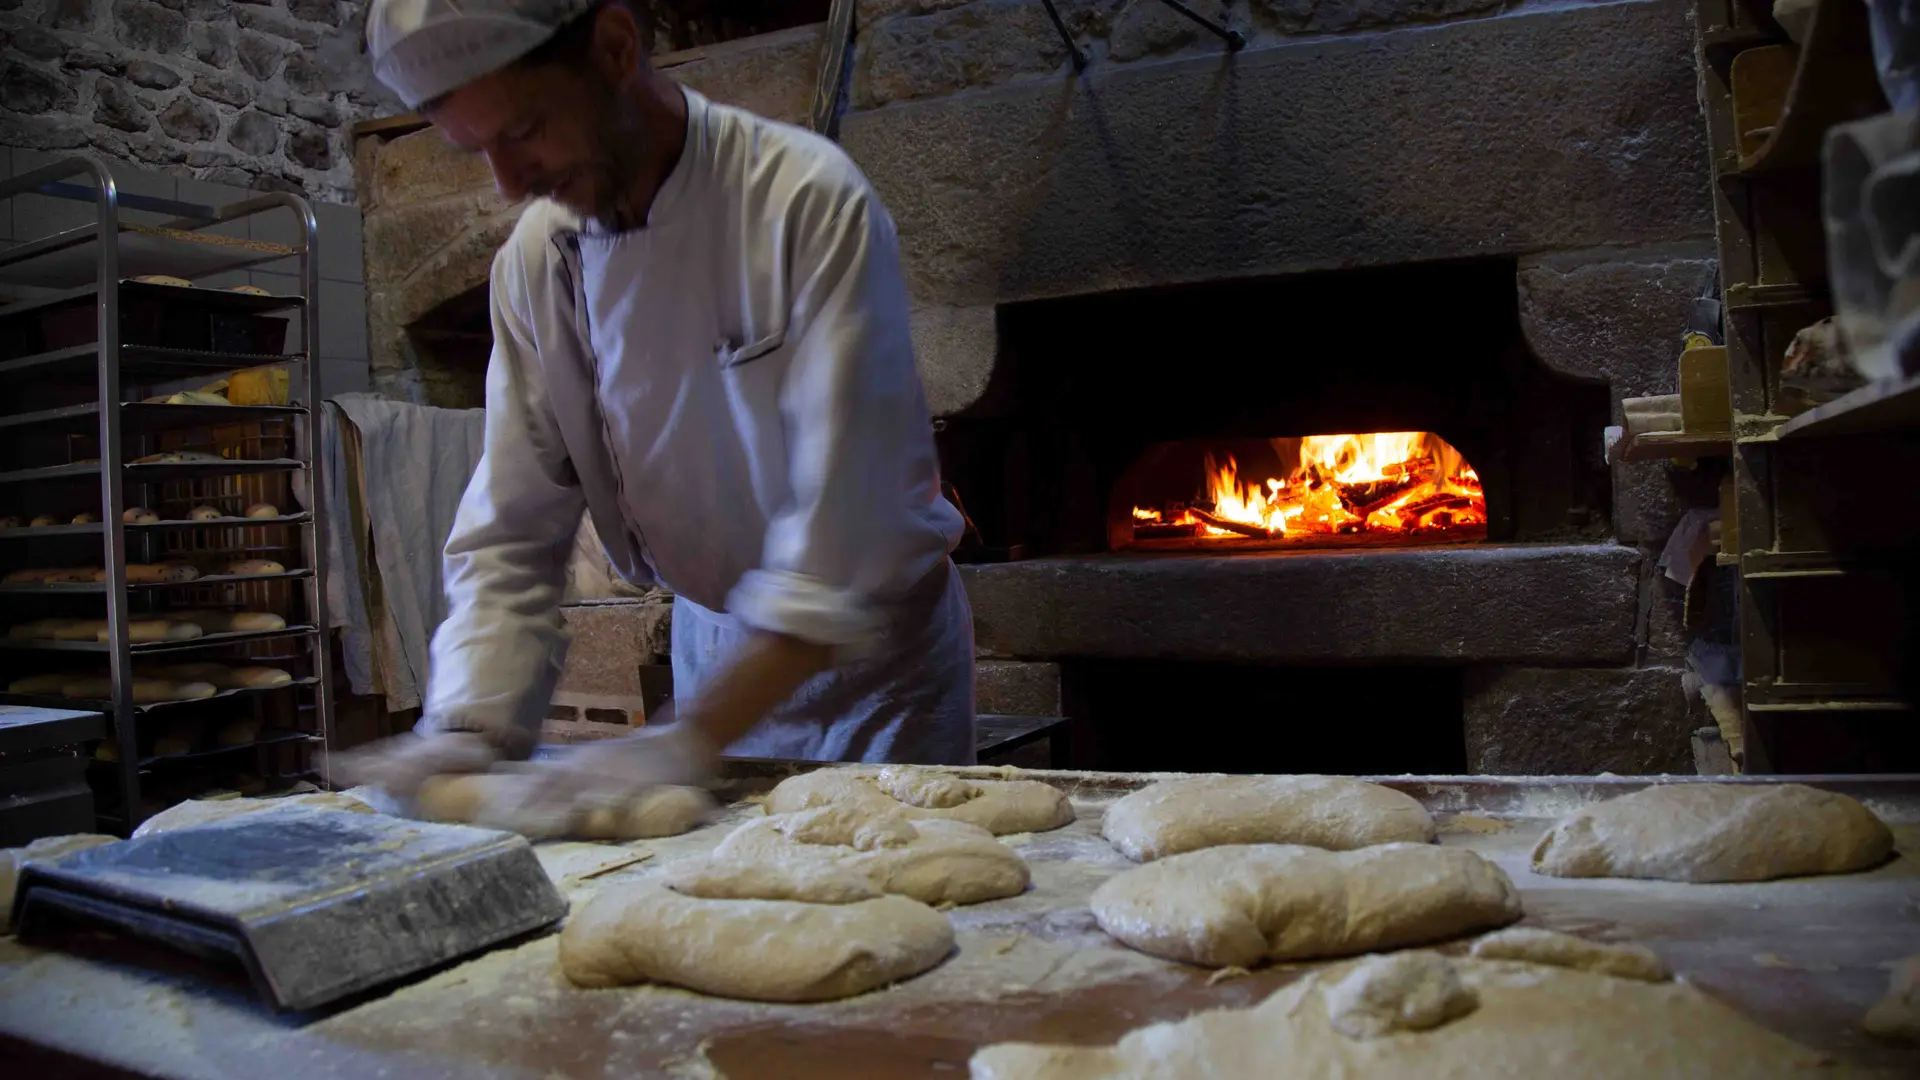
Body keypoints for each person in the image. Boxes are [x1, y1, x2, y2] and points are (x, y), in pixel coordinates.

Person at [342, 0, 974, 829]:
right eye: (477, 151)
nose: (505, 182)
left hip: (878, 673)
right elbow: (509, 531)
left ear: (613, 47)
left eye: (525, 128)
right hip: (716, 649)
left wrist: (688, 740)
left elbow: (844, 538)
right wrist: (466, 723)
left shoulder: (803, 202)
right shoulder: (539, 264)